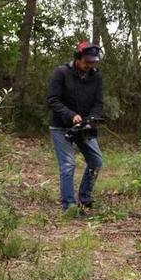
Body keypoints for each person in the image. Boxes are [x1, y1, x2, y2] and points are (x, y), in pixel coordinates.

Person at [46, 40, 104, 214]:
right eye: (87, 62)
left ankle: (85, 197)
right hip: (61, 127)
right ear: (78, 58)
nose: (89, 66)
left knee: (96, 161)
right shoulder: (61, 73)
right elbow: (52, 100)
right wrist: (71, 115)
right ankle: (69, 206)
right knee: (68, 164)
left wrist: (92, 118)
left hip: (84, 126)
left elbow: (98, 102)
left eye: (93, 62)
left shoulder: (96, 76)